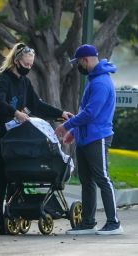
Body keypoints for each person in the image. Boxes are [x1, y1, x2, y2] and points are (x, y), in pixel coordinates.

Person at [0, 43, 72, 235]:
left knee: (16, 174)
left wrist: (61, 114)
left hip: (15, 137)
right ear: (16, 61)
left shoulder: (24, 82)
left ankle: (13, 216)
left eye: (31, 64)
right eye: (26, 64)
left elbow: (36, 105)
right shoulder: (3, 80)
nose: (28, 68)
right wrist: (15, 112)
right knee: (3, 175)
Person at [55, 44, 123, 235]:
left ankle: (114, 222)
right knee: (87, 181)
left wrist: (66, 126)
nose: (78, 66)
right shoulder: (93, 81)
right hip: (85, 138)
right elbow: (85, 112)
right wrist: (74, 133)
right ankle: (88, 222)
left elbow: (91, 114)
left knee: (102, 178)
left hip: (98, 137)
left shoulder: (101, 82)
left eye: (78, 63)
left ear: (85, 60)